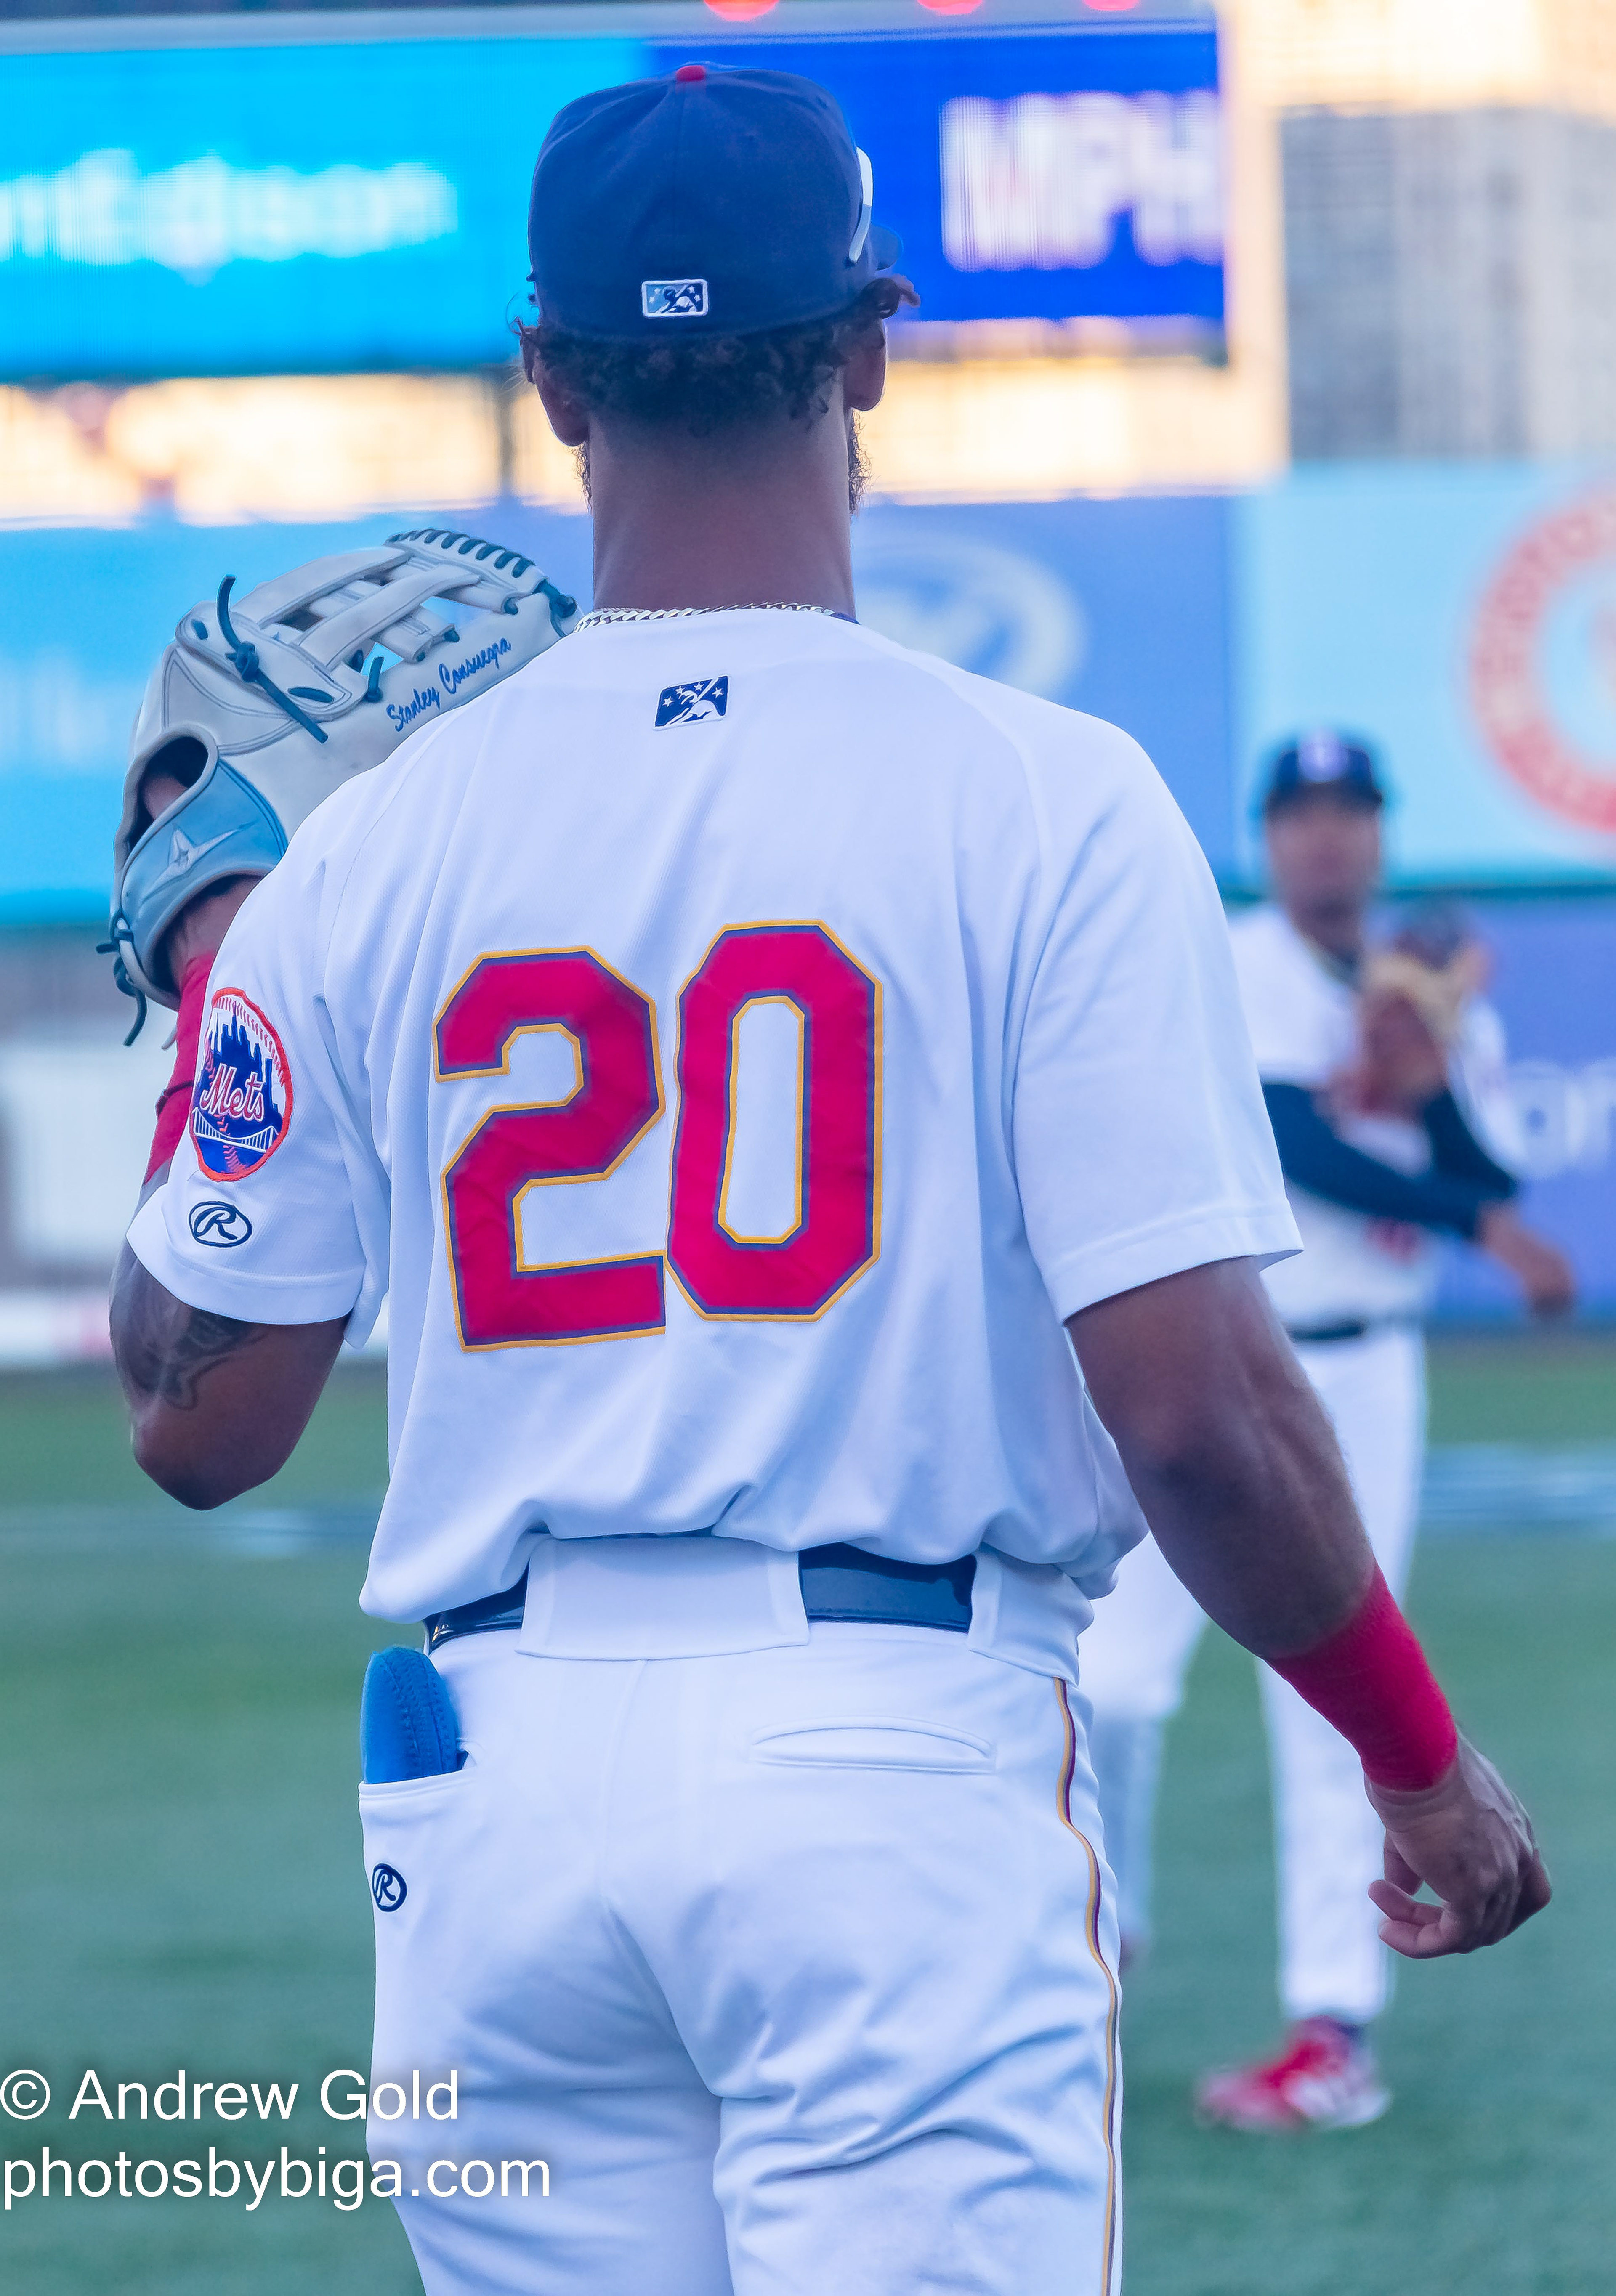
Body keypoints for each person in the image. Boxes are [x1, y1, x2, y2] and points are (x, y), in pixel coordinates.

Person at [109, 74, 1547, 2296]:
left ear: (550, 376)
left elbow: (198, 1425)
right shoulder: (1049, 797)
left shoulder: (372, 850)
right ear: (871, 347)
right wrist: (1417, 1759)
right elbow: (1197, 1413)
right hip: (890, 1753)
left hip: (494, 1799)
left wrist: (223, 973)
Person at [1081, 730, 1573, 2134]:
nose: (1325, 837)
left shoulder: (1427, 994)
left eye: (1349, 811)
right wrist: (1475, 1211)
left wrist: (1428, 1085)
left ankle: (1331, 2031)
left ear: (1379, 833)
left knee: (1337, 1718)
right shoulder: (1238, 958)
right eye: (1299, 814)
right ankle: (1101, 1941)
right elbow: (1294, 1136)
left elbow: (1487, 1160)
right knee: (1108, 1682)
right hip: (1218, 1374)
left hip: (1366, 1378)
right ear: (1272, 838)